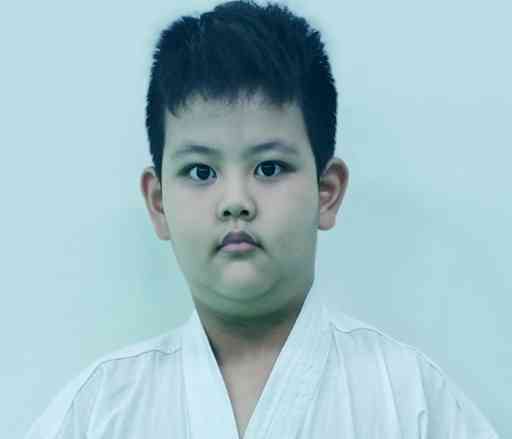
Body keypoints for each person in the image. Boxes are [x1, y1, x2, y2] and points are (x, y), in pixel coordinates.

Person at [25, 1, 499, 438]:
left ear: (327, 193)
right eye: (201, 172)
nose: (236, 201)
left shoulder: (412, 401)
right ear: (159, 202)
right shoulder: (98, 409)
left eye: (269, 168)